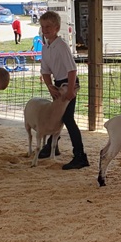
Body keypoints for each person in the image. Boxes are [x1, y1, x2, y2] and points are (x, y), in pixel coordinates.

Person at [38, 10, 89, 170]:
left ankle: (80, 155)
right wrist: (50, 86)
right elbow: (45, 71)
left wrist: (70, 90)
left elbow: (72, 70)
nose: (45, 30)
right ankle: (53, 146)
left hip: (68, 83)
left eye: (48, 27)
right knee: (57, 117)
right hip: (58, 84)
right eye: (43, 27)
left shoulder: (61, 46)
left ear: (57, 28)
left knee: (67, 118)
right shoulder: (46, 47)